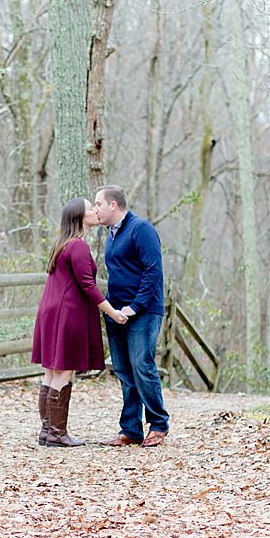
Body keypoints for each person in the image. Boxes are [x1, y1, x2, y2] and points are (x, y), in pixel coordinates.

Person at [30, 198, 128, 447]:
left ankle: (47, 431)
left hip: (50, 311)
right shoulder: (78, 247)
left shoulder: (61, 244)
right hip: (67, 313)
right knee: (64, 370)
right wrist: (112, 312)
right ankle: (57, 433)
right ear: (79, 217)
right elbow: (88, 286)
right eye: (90, 208)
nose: (96, 211)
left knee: (51, 372)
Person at [92, 185, 169, 446]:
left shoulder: (141, 229)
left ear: (113, 205)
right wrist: (112, 309)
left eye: (98, 204)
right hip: (116, 312)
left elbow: (153, 271)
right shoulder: (111, 235)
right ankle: (131, 429)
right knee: (124, 370)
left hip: (143, 312)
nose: (95, 210)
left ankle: (158, 424)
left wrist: (135, 307)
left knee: (142, 366)